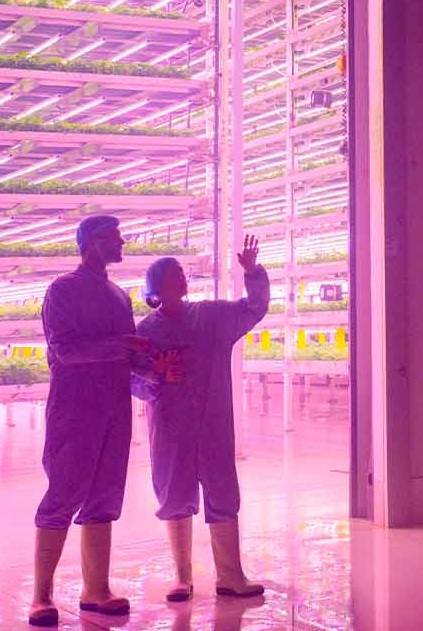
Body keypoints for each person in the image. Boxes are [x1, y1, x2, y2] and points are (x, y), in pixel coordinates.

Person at [28, 215, 158, 626]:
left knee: (105, 495)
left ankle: (96, 589)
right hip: (74, 409)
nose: (122, 243)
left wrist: (152, 366)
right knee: (64, 493)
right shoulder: (62, 291)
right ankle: (41, 595)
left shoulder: (120, 296)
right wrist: (121, 346)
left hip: (114, 408)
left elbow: (129, 355)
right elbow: (64, 351)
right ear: (92, 243)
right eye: (115, 238)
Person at [132, 234, 272, 602]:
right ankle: (182, 578)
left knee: (222, 489)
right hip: (170, 425)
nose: (183, 277)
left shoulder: (211, 316)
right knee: (174, 492)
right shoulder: (144, 332)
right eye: (173, 273)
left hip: (213, 422)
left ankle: (231, 576)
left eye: (182, 272)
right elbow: (129, 376)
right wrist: (155, 376)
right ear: (156, 287)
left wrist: (253, 272)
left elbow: (254, 308)